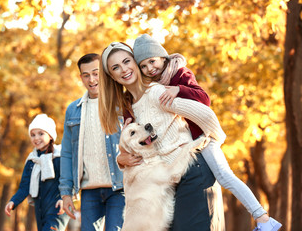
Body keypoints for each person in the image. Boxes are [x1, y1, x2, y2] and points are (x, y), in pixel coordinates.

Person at [131, 33, 282, 231]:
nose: (150, 68)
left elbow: (204, 98)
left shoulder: (180, 74)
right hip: (187, 145)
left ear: (162, 57)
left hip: (203, 138)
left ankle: (263, 219)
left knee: (224, 176)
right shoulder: (153, 85)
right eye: (143, 66)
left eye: (152, 61)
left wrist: (178, 89)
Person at [99, 42, 226, 230]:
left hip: (193, 172)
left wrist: (210, 143)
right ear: (112, 77)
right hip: (169, 181)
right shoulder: (129, 107)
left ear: (136, 62)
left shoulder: (157, 92)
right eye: (115, 67)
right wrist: (121, 158)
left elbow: (207, 115)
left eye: (127, 61)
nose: (124, 69)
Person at [57, 53, 125, 231]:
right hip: (89, 191)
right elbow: (67, 153)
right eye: (86, 75)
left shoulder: (122, 103)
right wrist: (66, 193)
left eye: (96, 73)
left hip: (119, 187)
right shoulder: (73, 110)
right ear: (81, 78)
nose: (92, 79)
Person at [5, 114, 70, 231]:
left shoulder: (59, 157)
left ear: (50, 136)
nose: (36, 138)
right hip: (40, 209)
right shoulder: (32, 161)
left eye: (41, 133)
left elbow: (68, 180)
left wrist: (64, 198)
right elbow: (25, 187)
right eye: (33, 135)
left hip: (58, 207)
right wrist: (13, 201)